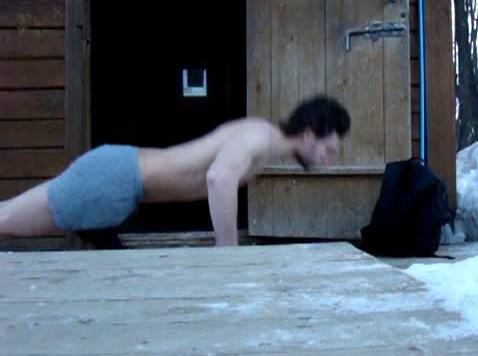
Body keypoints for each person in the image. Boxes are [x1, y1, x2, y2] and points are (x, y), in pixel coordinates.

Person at [0, 96, 350, 247]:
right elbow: (219, 178)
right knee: (6, 221)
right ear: (309, 134)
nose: (327, 159)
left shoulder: (265, 142)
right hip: (114, 179)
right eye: (328, 149)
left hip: (120, 184)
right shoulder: (259, 135)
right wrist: (228, 251)